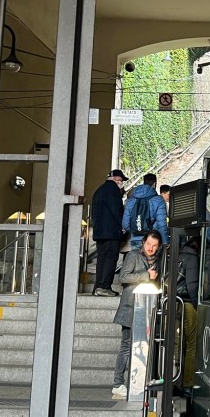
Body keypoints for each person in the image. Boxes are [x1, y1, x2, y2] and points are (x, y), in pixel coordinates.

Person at [111, 230, 163, 397]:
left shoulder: (160, 260)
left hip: (148, 308)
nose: (150, 248)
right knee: (126, 346)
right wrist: (146, 275)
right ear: (143, 243)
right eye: (148, 244)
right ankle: (118, 383)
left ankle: (141, 381)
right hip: (130, 307)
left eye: (154, 245)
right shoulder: (133, 256)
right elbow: (123, 277)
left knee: (146, 346)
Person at [90, 168, 127, 296]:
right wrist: (123, 225)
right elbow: (117, 210)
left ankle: (97, 286)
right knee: (111, 258)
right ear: (116, 179)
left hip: (99, 232)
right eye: (121, 180)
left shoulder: (98, 191)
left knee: (101, 259)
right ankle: (105, 286)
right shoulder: (114, 190)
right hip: (112, 232)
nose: (122, 183)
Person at [176, 230, 200, 389]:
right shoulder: (192, 258)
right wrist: (197, 304)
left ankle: (173, 379)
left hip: (173, 302)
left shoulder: (177, 254)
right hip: (187, 303)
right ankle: (188, 382)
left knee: (176, 344)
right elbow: (192, 285)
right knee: (192, 344)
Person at [122, 172, 160, 248]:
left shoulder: (131, 199)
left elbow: (125, 223)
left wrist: (133, 230)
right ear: (154, 184)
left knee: (136, 255)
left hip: (135, 238)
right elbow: (160, 222)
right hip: (151, 239)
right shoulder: (156, 200)